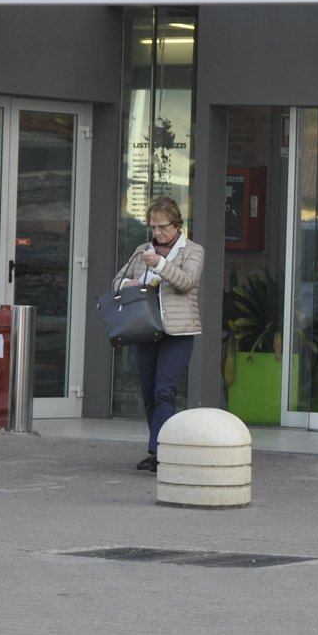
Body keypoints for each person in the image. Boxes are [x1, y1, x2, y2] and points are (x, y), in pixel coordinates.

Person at [113, 196, 203, 473]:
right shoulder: (143, 250)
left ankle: (161, 451)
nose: (157, 233)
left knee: (165, 390)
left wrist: (160, 265)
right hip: (145, 329)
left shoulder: (193, 251)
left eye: (162, 227)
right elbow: (116, 281)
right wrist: (126, 283)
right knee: (150, 394)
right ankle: (158, 451)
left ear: (176, 225)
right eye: (152, 227)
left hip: (178, 331)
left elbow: (187, 282)